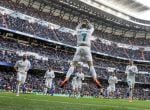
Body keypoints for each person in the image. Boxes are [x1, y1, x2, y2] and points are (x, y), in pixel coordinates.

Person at [61, 19, 101, 88]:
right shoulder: (89, 31)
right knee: (91, 65)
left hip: (79, 48)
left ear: (81, 27)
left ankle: (66, 78)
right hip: (87, 48)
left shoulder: (79, 31)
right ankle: (95, 79)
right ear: (86, 27)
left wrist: (81, 22)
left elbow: (77, 27)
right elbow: (92, 28)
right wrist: (88, 22)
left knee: (73, 65)